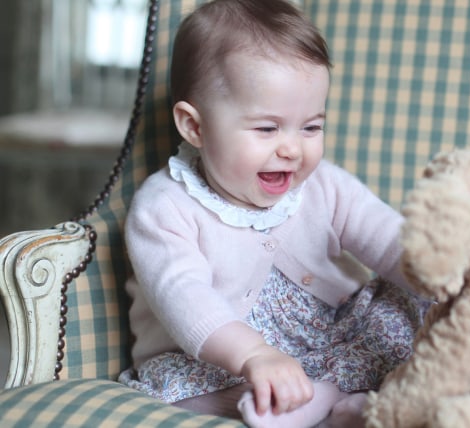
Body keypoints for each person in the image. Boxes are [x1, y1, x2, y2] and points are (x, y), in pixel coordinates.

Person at [117, 0, 427, 426]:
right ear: (196, 126)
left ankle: (348, 398)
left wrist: (439, 273)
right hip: (222, 357)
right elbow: (184, 297)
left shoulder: (324, 186)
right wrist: (255, 355)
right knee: (186, 389)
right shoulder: (164, 207)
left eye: (311, 127)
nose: (292, 148)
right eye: (267, 128)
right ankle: (309, 404)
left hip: (332, 331)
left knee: (413, 304)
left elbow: (388, 238)